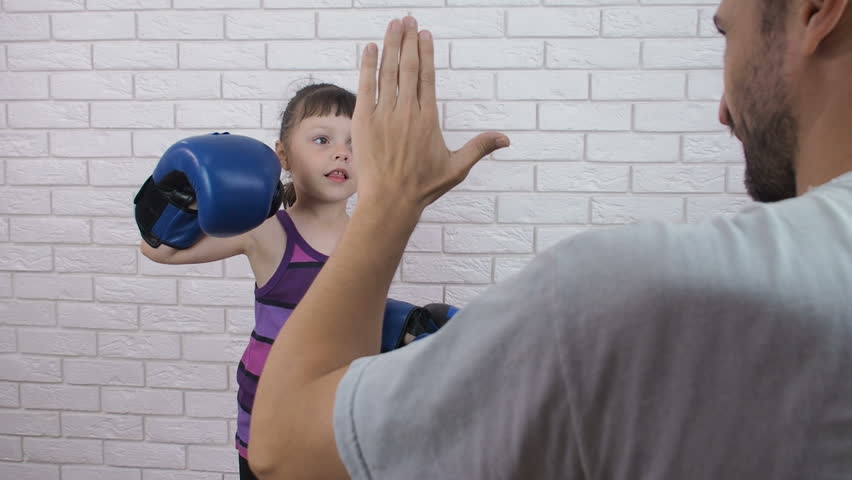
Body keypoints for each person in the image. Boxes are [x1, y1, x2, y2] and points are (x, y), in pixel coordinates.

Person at [249, 3, 852, 480]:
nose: (724, 109)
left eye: (727, 35)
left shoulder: (619, 295)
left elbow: (284, 449)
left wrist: (392, 199)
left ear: (817, 11)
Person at [136, 83, 455, 479]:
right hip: (271, 420)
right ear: (283, 155)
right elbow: (159, 250)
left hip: (339, 419)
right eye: (322, 139)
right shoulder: (267, 231)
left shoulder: (369, 238)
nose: (341, 152)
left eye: (354, 143)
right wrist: (185, 194)